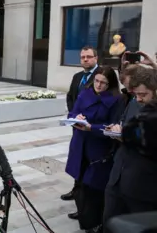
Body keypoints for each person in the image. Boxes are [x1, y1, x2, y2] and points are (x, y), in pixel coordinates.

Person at [65, 66, 124, 233]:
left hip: (98, 148)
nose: (98, 85)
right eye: (97, 81)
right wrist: (76, 118)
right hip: (79, 144)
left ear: (110, 84)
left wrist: (92, 128)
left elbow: (113, 127)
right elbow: (72, 113)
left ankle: (95, 223)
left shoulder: (116, 99)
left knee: (94, 188)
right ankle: (83, 214)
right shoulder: (85, 93)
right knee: (79, 183)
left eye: (103, 83)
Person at [103, 68, 157, 232]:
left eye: (143, 94)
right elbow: (124, 120)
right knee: (109, 224)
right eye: (136, 95)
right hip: (117, 179)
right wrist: (118, 128)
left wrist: (129, 138)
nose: (138, 99)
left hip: (144, 190)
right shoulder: (135, 101)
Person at [63, 46, 99, 219]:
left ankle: (84, 201)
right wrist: (73, 115)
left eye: (89, 57)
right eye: (82, 57)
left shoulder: (101, 77)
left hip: (92, 128)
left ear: (96, 58)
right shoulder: (77, 76)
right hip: (77, 125)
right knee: (77, 158)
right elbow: (70, 97)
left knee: (87, 161)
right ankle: (76, 189)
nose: (85, 59)